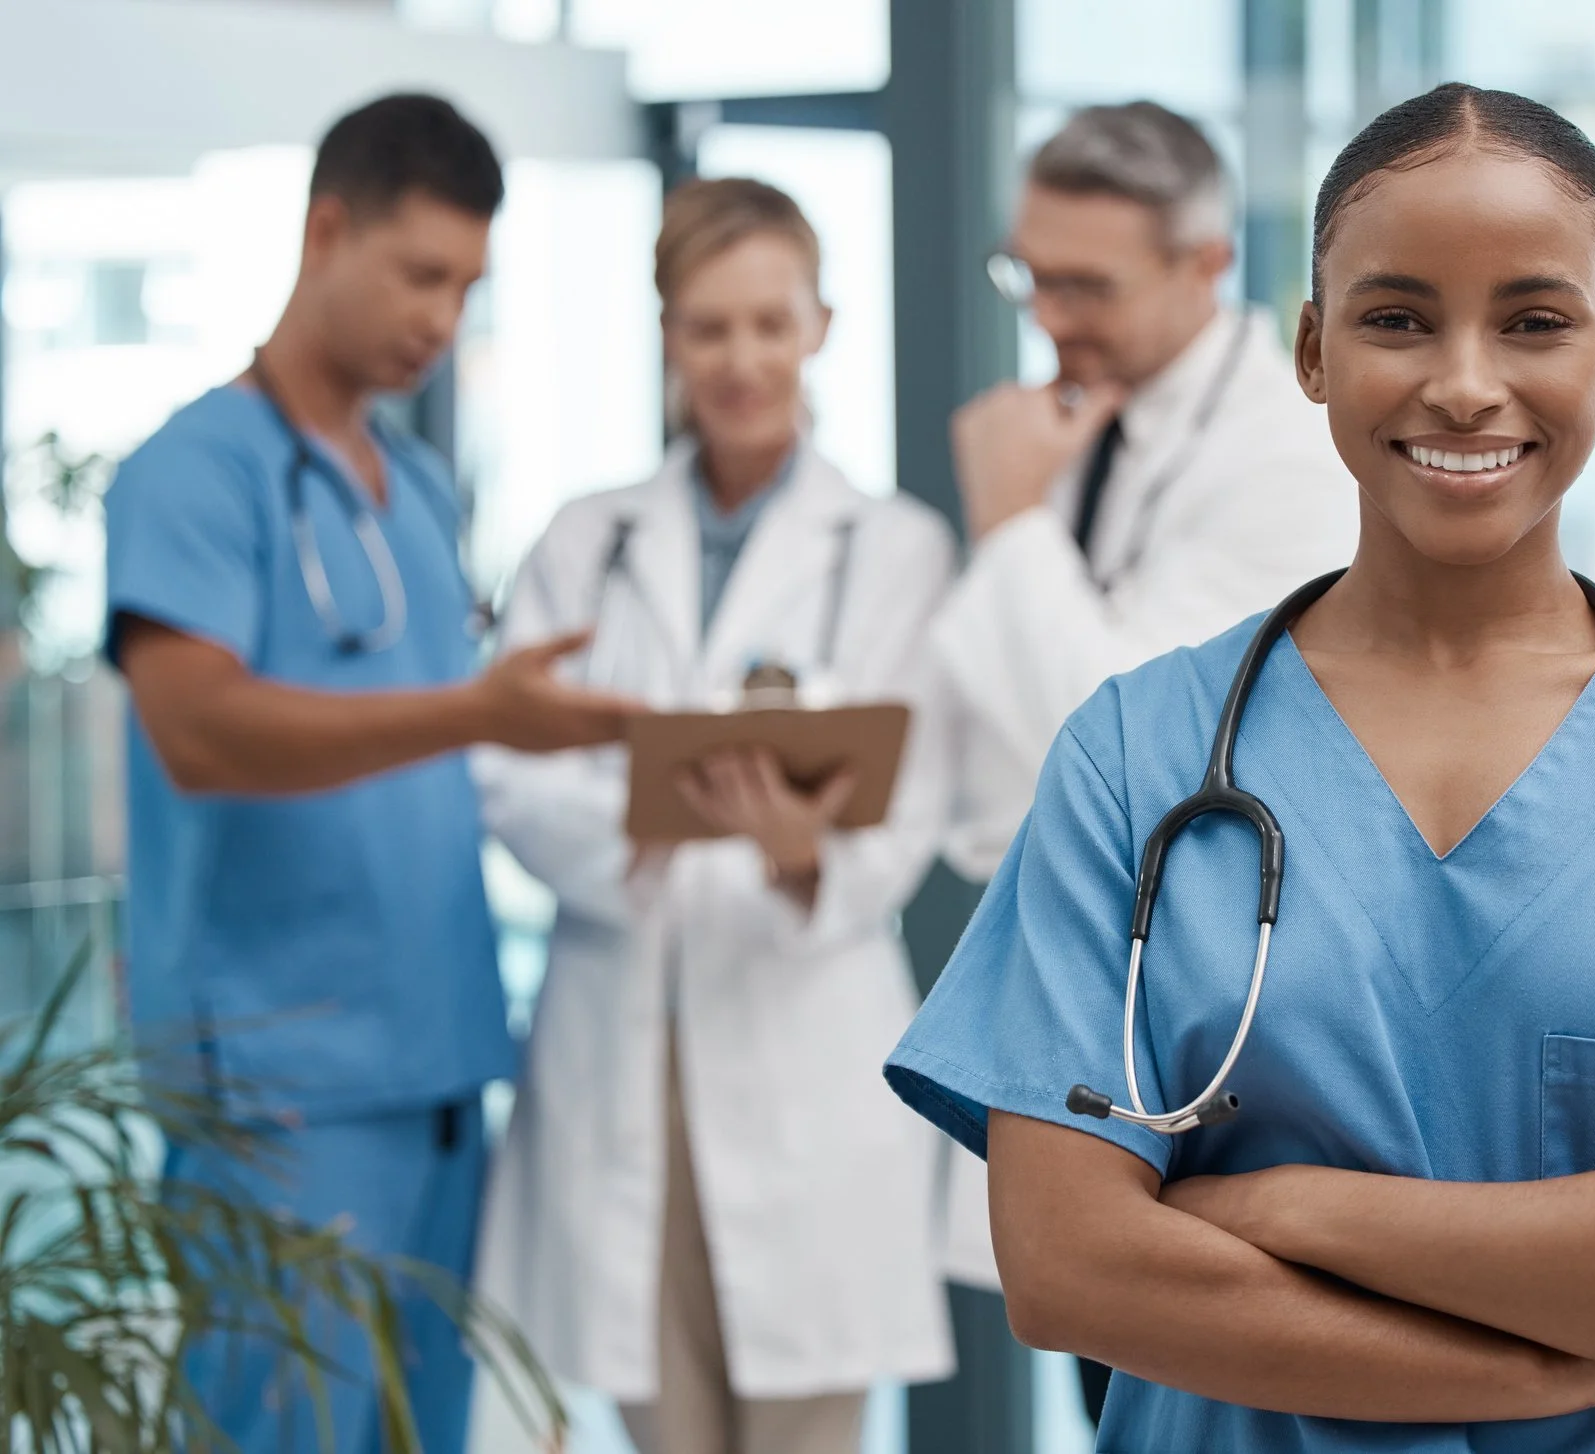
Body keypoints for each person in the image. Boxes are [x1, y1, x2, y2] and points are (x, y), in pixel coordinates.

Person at [886, 83, 1595, 1452]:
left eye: (1535, 319)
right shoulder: (1131, 752)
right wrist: (1545, 1351)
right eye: (1396, 317)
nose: (1462, 378)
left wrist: (1283, 1205)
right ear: (1313, 349)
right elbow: (1068, 1266)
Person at [102, 96, 637, 1453]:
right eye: (419, 273)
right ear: (324, 229)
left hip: (441, 1071)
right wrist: (477, 710)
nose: (441, 319)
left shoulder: (416, 487)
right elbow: (199, 729)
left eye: (465, 286)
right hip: (278, 1091)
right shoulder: (193, 473)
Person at [471, 177, 955, 1454]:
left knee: (805, 1426)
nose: (740, 359)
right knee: (658, 1425)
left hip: (802, 1038)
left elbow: (913, 797)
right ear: (667, 333)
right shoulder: (586, 542)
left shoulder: (890, 547)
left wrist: (811, 859)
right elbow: (514, 771)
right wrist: (632, 826)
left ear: (821, 324)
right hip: (621, 1043)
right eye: (706, 327)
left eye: (767, 323)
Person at [929, 101, 1360, 1417]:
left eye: (1085, 282)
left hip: (1203, 1022)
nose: (1049, 313)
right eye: (1030, 274)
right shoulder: (1084, 424)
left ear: (1204, 263)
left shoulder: (1284, 449)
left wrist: (1006, 524)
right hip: (1081, 993)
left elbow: (1132, 744)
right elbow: (988, 735)